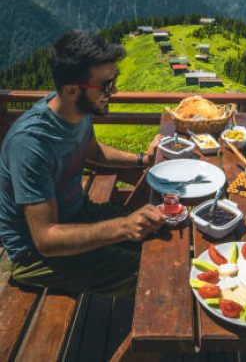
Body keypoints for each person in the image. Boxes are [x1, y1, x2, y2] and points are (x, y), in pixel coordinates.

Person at [0, 30, 166, 298]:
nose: (115, 91)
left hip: (76, 214)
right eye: (106, 85)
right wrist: (124, 226)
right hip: (34, 255)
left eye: (114, 81)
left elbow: (93, 151)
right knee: (151, 271)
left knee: (160, 237)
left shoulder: (76, 112)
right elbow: (45, 239)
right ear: (72, 89)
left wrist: (142, 159)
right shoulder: (30, 144)